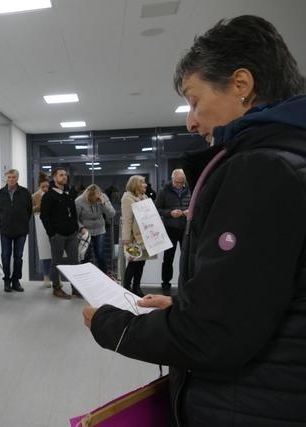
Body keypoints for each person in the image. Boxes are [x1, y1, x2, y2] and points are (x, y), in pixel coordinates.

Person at [84, 15, 306, 426]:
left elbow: (216, 336)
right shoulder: (291, 158)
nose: (191, 120)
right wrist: (185, 305)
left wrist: (109, 324)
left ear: (241, 84)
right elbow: (261, 298)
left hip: (252, 404)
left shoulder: (262, 169)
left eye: (194, 100)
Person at [40, 167, 82, 299]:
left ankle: (75, 289)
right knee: (56, 262)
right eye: (61, 175)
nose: (64, 177)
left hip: (71, 234)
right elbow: (44, 216)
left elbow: (73, 212)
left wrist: (75, 227)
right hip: (57, 235)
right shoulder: (49, 195)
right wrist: (52, 233)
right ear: (54, 178)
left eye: (65, 175)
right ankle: (56, 288)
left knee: (75, 262)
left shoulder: (69, 192)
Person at [0, 169, 33, 293]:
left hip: (21, 230)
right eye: (9, 177)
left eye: (13, 177)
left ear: (17, 178)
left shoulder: (25, 193)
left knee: (18, 257)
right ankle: (7, 280)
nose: (11, 179)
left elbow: (29, 211)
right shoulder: (0, 193)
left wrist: (22, 222)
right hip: (5, 230)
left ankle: (16, 280)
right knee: (6, 256)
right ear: (6, 178)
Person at [155, 169, 191, 295]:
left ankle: (186, 283)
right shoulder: (163, 191)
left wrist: (189, 211)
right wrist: (169, 213)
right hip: (170, 228)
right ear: (172, 179)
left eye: (182, 182)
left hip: (186, 228)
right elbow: (157, 209)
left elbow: (196, 205)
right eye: (177, 182)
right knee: (168, 258)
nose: (179, 185)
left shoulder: (190, 189)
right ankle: (166, 284)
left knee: (186, 257)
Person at [120, 175, 151, 297]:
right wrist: (126, 239)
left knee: (141, 263)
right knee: (133, 263)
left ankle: (136, 287)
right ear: (135, 185)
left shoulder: (144, 197)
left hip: (145, 237)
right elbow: (127, 220)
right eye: (143, 182)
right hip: (134, 238)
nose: (146, 185)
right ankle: (126, 289)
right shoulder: (127, 198)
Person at [75, 184, 115, 274]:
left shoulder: (103, 197)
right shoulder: (79, 201)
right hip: (85, 230)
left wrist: (103, 203)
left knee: (100, 254)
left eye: (96, 198)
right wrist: (81, 228)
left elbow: (111, 214)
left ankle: (104, 275)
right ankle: (84, 275)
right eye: (92, 199)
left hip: (99, 229)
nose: (94, 201)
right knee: (85, 255)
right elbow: (75, 219)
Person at [32, 173, 52, 287]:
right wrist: (38, 206)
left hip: (52, 224)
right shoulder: (34, 196)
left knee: (55, 252)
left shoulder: (52, 194)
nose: (45, 189)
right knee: (45, 252)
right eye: (43, 186)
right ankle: (46, 277)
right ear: (39, 186)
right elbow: (31, 210)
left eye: (47, 187)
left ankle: (56, 277)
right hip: (40, 224)